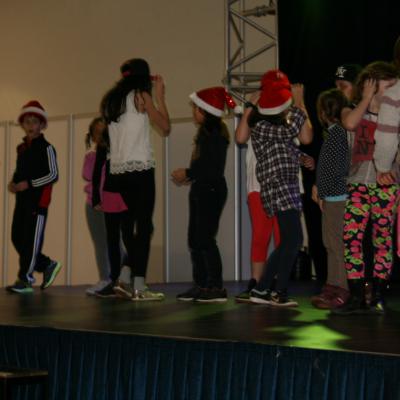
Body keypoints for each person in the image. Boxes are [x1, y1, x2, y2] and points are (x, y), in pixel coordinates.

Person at [236, 70, 313, 307]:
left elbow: (286, 147)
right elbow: (286, 133)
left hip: (287, 186)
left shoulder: (280, 122)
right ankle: (271, 290)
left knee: (289, 240)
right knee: (293, 239)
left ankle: (266, 290)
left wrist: (301, 157)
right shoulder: (260, 124)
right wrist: (299, 103)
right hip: (278, 187)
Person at [100, 58, 170, 301]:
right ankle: (139, 285)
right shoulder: (141, 96)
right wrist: (160, 97)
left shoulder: (111, 100)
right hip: (140, 168)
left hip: (118, 171)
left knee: (131, 228)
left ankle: (124, 276)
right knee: (144, 227)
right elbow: (165, 127)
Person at [332, 62, 398, 315]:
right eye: (388, 85)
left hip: (385, 185)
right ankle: (357, 294)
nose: (393, 90)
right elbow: (349, 124)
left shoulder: (395, 115)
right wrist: (367, 98)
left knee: (382, 238)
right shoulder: (353, 109)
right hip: (358, 183)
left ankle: (378, 294)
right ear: (371, 84)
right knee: (351, 237)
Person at [172, 87, 236, 303]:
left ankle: (215, 286)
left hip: (211, 191)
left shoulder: (215, 136)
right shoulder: (206, 135)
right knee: (195, 239)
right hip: (202, 189)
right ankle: (201, 284)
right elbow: (204, 167)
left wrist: (188, 173)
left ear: (206, 111)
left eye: (196, 109)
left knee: (205, 238)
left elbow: (211, 169)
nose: (193, 112)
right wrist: (190, 175)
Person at [6, 101, 61, 293]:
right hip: (22, 202)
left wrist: (29, 184)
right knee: (17, 237)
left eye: (34, 122)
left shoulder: (47, 148)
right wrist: (14, 183)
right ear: (23, 124)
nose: (30, 125)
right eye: (27, 122)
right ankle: (46, 264)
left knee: (30, 242)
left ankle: (26, 280)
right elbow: (20, 172)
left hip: (38, 203)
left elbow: (53, 175)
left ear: (42, 125)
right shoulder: (21, 149)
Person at [311, 89, 350, 309]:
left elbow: (336, 169)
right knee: (331, 245)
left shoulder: (337, 135)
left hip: (337, 198)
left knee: (337, 245)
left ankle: (341, 288)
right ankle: (332, 284)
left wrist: (322, 192)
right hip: (333, 196)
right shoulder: (337, 134)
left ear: (324, 113)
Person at [82, 117, 130, 297]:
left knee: (115, 242)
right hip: (93, 205)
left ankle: (120, 278)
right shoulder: (91, 157)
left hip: (113, 204)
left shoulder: (118, 155)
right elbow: (87, 175)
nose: (102, 136)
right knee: (100, 243)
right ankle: (105, 278)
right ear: (93, 137)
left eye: (105, 132)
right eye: (97, 133)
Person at [234, 136, 280, 303]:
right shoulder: (254, 121)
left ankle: (278, 283)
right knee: (260, 236)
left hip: (283, 183)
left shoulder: (288, 120)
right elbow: (240, 136)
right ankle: (256, 282)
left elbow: (305, 139)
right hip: (257, 184)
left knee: (282, 237)